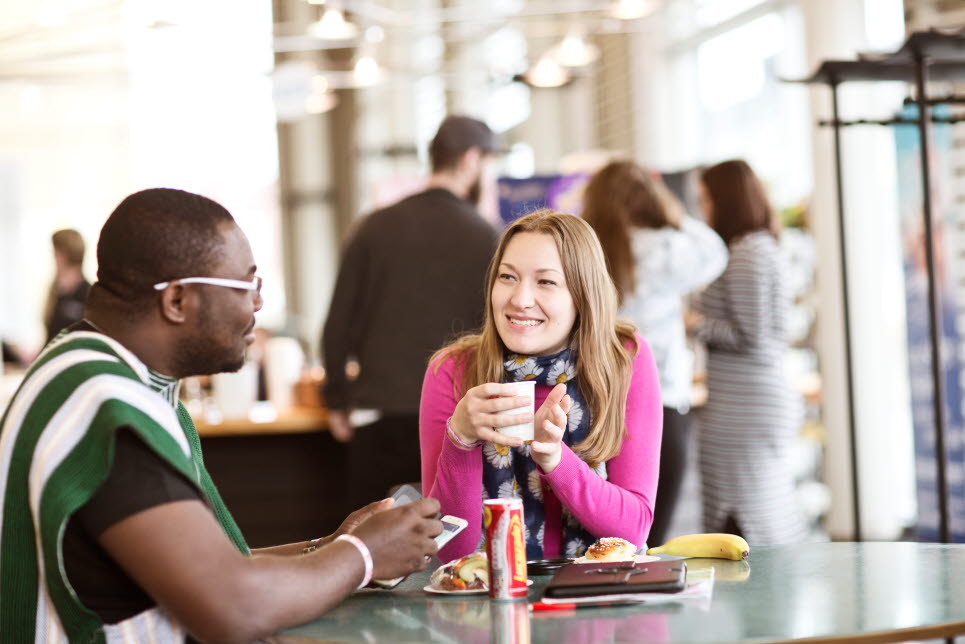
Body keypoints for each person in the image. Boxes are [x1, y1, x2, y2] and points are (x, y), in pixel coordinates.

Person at [0, 188, 442, 643]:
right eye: (246, 286)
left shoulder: (90, 371)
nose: (257, 305)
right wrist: (364, 554)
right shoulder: (105, 406)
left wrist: (330, 547)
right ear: (176, 301)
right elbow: (232, 605)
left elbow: (209, 569)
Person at [420, 209, 663, 560]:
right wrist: (461, 437)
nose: (520, 299)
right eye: (507, 277)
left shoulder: (624, 360)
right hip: (490, 599)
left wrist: (556, 460)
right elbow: (450, 551)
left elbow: (633, 529)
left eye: (546, 282)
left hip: (595, 596)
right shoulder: (453, 371)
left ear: (583, 295)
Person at [322, 115, 500, 507]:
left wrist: (337, 397)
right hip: (457, 418)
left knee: (372, 542)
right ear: (471, 160)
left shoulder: (373, 226)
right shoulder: (488, 237)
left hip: (377, 414)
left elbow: (338, 325)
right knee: (451, 542)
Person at [582, 160, 726, 547]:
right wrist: (673, 214)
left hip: (597, 400)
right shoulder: (666, 247)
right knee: (651, 530)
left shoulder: (587, 251)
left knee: (603, 527)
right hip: (663, 398)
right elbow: (715, 253)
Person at [691, 159, 808, 544]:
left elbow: (753, 335)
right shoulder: (761, 247)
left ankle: (758, 592)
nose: (703, 210)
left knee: (746, 511)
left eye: (707, 200)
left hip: (745, 408)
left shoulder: (746, 253)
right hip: (747, 402)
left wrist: (693, 324)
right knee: (758, 503)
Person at [43, 228, 91, 344]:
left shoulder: (88, 294)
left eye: (56, 252)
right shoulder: (56, 292)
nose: (54, 257)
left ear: (64, 255)